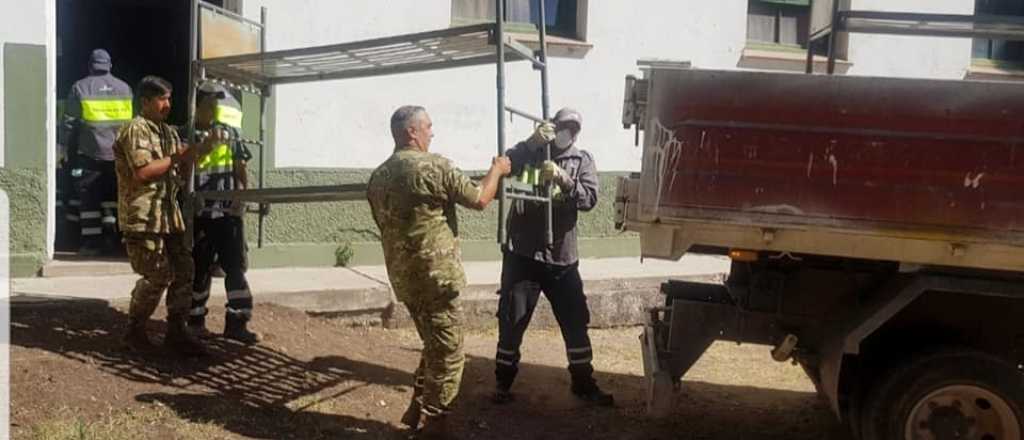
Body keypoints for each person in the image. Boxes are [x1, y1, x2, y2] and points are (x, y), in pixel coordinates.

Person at [367, 105, 511, 437]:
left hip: (405, 279)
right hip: (437, 278)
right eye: (428, 127)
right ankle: (435, 425)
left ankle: (417, 405)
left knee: (434, 341)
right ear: (411, 133)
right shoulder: (434, 167)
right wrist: (497, 170)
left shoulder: (378, 176)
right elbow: (479, 199)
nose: (433, 132)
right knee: (449, 351)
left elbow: (384, 225)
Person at [492, 107, 613, 406]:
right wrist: (532, 143)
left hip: (561, 257)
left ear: (577, 133)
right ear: (551, 126)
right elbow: (505, 165)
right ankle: (502, 384)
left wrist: (564, 180)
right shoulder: (533, 153)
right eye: (561, 125)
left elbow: (589, 199)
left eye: (572, 127)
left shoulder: (582, 160)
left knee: (575, 322)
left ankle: (583, 384)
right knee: (512, 319)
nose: (565, 131)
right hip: (523, 254)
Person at [113, 75, 218, 356]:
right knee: (156, 275)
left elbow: (180, 172)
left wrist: (198, 154)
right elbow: (143, 172)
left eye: (169, 98)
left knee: (185, 270)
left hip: (169, 217)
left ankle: (176, 332)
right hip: (144, 217)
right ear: (145, 102)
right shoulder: (136, 130)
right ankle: (134, 331)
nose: (167, 105)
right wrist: (179, 157)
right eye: (161, 99)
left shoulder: (169, 133)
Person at [188, 81, 259, 343]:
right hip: (199, 215)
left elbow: (240, 169)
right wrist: (203, 148)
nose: (214, 108)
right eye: (208, 103)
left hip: (226, 213)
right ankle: (195, 322)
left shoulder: (229, 132)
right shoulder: (186, 134)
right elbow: (180, 168)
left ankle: (237, 324)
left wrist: (241, 197)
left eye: (216, 103)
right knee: (199, 269)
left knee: (236, 267)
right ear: (197, 105)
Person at [65, 49, 133, 256]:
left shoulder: (80, 87)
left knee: (89, 200)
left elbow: (69, 125)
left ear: (90, 65)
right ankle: (115, 240)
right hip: (119, 155)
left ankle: (91, 244)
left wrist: (66, 152)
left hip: (90, 154)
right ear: (109, 65)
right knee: (115, 198)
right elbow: (132, 125)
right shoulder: (125, 88)